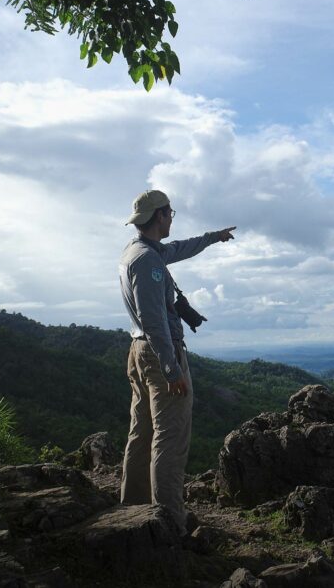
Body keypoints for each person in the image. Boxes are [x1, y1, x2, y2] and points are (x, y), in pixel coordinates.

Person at [118, 189, 235, 533]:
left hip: (138, 351)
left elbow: (181, 248)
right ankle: (169, 523)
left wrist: (213, 238)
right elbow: (154, 319)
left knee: (141, 432)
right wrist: (172, 369)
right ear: (159, 216)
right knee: (170, 438)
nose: (172, 218)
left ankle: (133, 510)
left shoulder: (136, 251)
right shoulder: (148, 262)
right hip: (159, 355)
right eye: (170, 213)